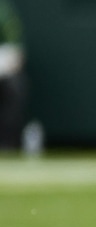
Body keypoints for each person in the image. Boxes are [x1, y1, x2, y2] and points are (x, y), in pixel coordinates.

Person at [0, 0, 27, 151]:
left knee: (15, 85)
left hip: (2, 68)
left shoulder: (3, 10)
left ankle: (6, 143)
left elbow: (15, 54)